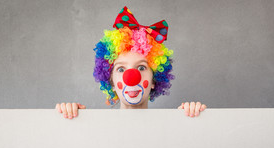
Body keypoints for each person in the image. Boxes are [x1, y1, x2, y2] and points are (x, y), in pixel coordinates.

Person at [56, 6, 207, 119]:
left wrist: (190, 118)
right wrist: (71, 116)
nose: (132, 76)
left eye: (141, 67)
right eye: (121, 69)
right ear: (112, 82)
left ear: (154, 79)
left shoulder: (169, 129)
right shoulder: (97, 130)